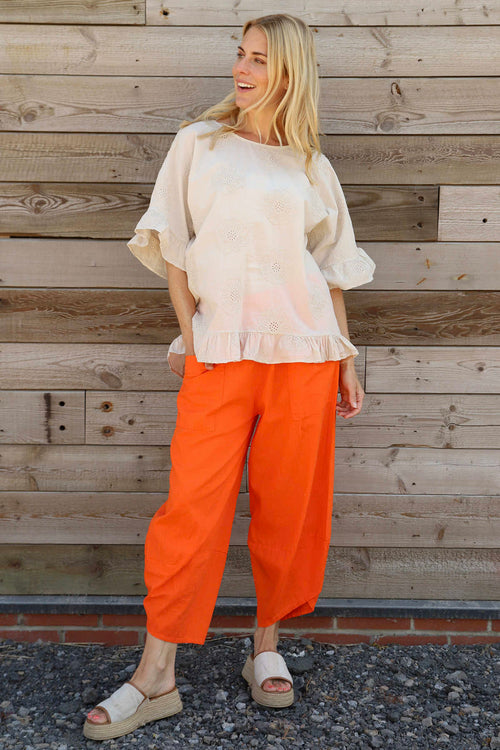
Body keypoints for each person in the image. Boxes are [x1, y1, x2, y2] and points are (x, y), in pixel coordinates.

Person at [83, 13, 375, 741]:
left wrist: (346, 358)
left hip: (306, 357)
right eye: (240, 55)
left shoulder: (312, 167)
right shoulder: (199, 144)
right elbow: (173, 248)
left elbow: (331, 271)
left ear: (291, 73)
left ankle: (265, 647)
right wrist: (194, 340)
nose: (242, 70)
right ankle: (156, 675)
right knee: (191, 510)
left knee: (289, 505)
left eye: (259, 60)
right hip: (220, 355)